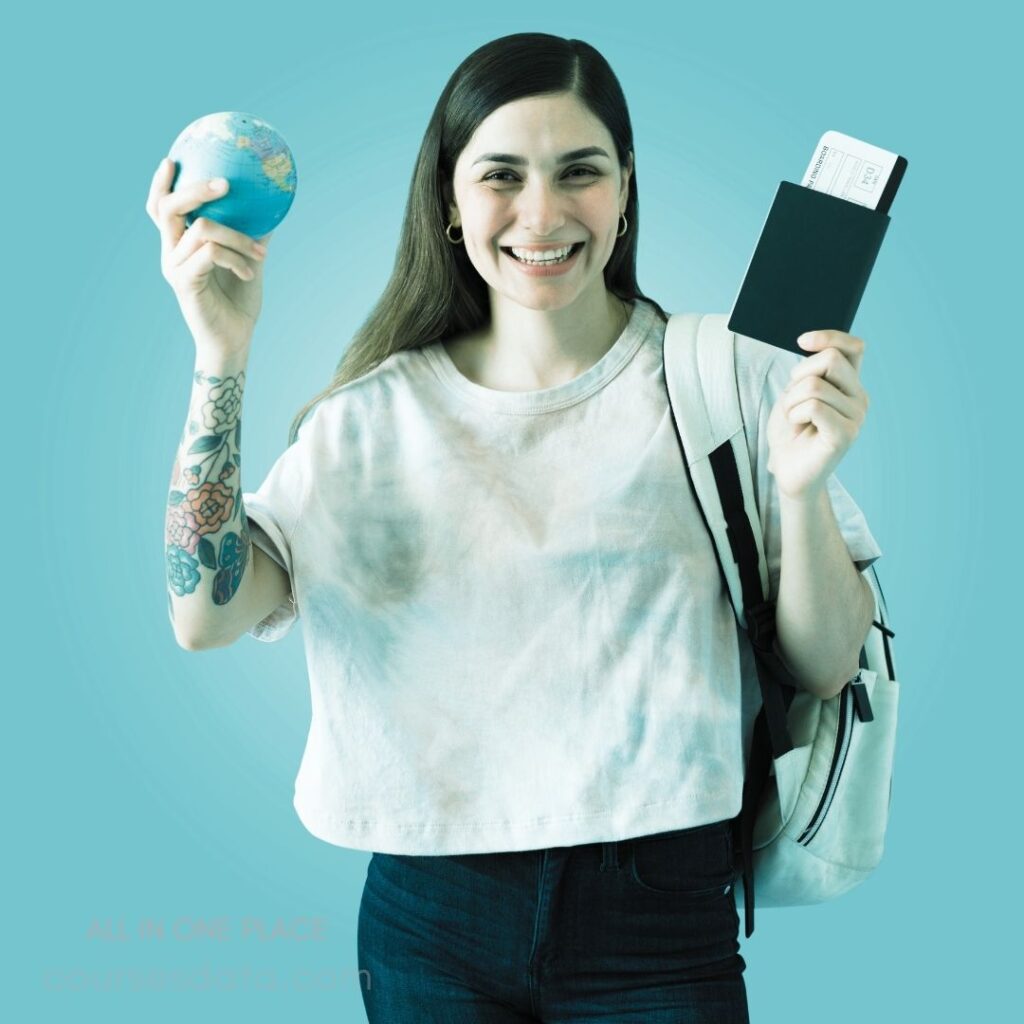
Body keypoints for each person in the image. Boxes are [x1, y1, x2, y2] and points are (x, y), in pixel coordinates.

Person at [149, 31, 882, 1024]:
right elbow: (206, 614)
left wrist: (800, 486)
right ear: (449, 200)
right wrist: (220, 353)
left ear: (624, 190)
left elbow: (827, 663)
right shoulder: (368, 418)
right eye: (500, 175)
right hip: (429, 918)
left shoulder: (729, 382)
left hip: (659, 914)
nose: (541, 214)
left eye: (578, 172)